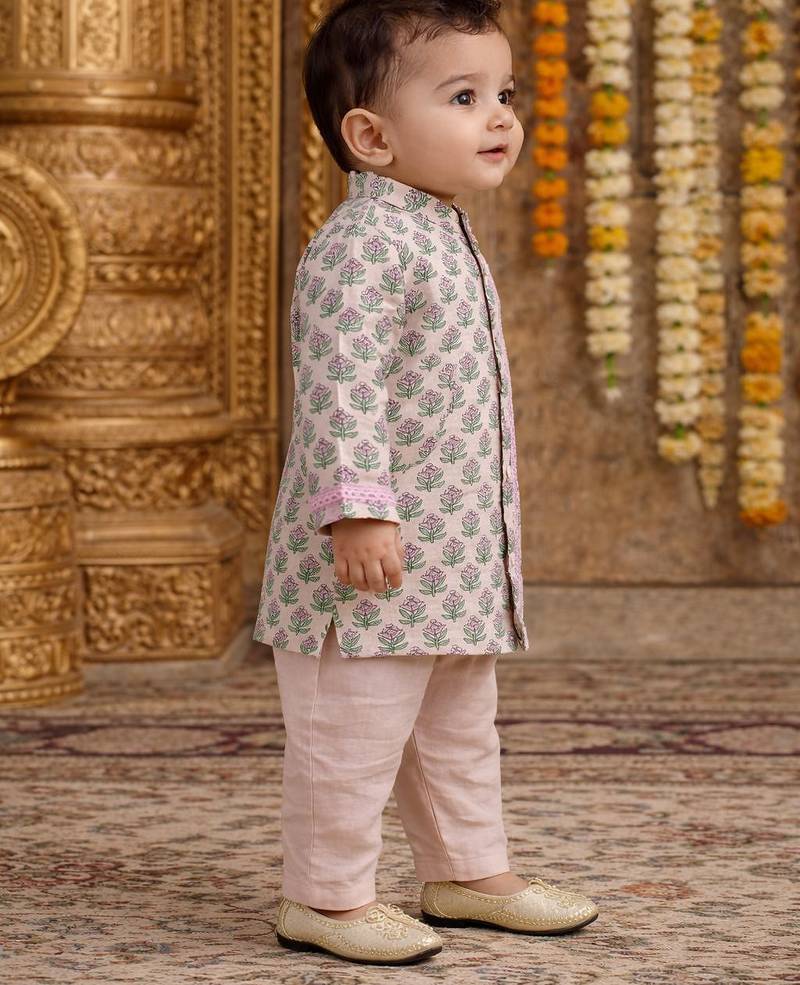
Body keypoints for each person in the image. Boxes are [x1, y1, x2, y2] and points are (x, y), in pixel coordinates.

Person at [255, 0, 599, 965]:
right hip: (364, 566)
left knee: (456, 725)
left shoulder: (440, 232)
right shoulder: (363, 244)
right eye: (463, 97)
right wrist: (357, 511)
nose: (500, 118)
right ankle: (325, 895)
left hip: (447, 562)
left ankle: (466, 870)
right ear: (371, 137)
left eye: (504, 94)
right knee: (351, 734)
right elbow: (342, 388)